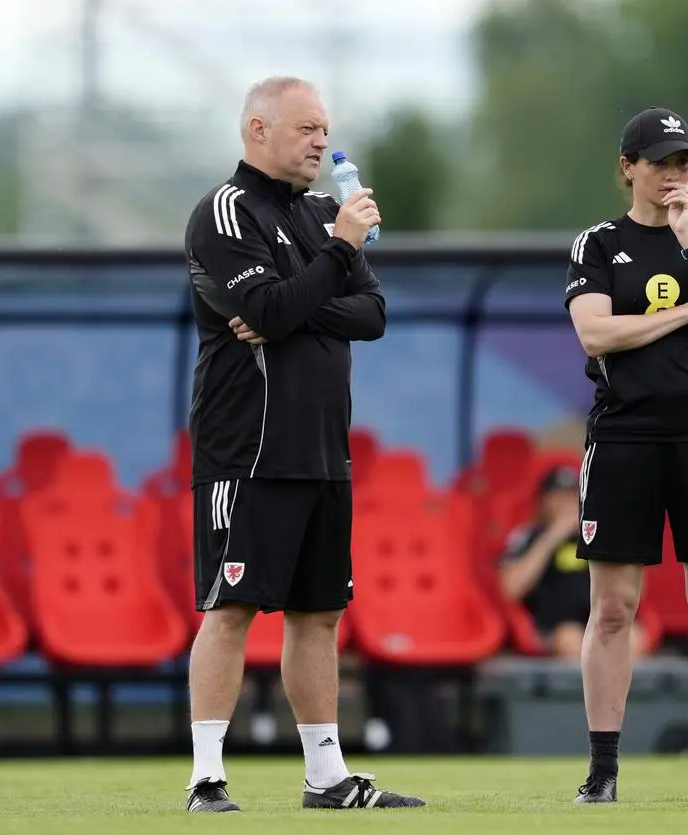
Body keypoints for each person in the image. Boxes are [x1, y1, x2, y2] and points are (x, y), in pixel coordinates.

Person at [182, 75, 425, 812]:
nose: (322, 140)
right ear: (258, 130)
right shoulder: (223, 213)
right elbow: (268, 306)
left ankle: (327, 775)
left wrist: (302, 301)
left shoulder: (325, 212)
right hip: (249, 448)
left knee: (318, 613)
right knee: (231, 609)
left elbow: (372, 312)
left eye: (325, 128)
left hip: (323, 447)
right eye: (306, 128)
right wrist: (330, 264)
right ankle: (206, 777)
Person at [563, 106, 688, 803]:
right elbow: (595, 333)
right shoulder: (597, 244)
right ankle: (603, 770)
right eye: (662, 162)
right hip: (623, 439)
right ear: (629, 169)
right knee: (614, 606)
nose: (675, 173)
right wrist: (681, 314)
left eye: (684, 163)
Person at [498, 464, 651, 659]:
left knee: (634, 638)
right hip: (555, 626)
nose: (568, 504)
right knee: (570, 639)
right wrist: (553, 536)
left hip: (603, 619)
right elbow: (510, 589)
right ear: (544, 502)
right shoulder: (527, 535)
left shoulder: (601, 533)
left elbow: (637, 589)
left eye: (573, 496)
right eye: (559, 497)